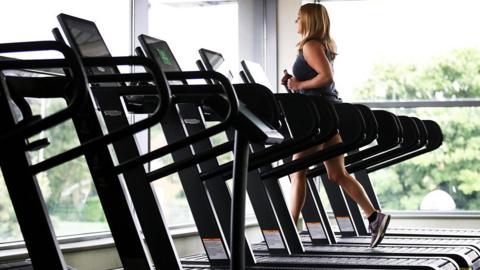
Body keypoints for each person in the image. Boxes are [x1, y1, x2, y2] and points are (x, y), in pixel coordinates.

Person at [281, 2, 390, 248]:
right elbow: (319, 79)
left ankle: (288, 230)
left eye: (298, 17)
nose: (295, 21)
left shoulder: (310, 45)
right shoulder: (321, 45)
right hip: (328, 113)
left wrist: (298, 85)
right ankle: (375, 217)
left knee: (297, 171)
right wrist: (294, 83)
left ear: (308, 20)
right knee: (337, 174)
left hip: (320, 116)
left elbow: (326, 77)